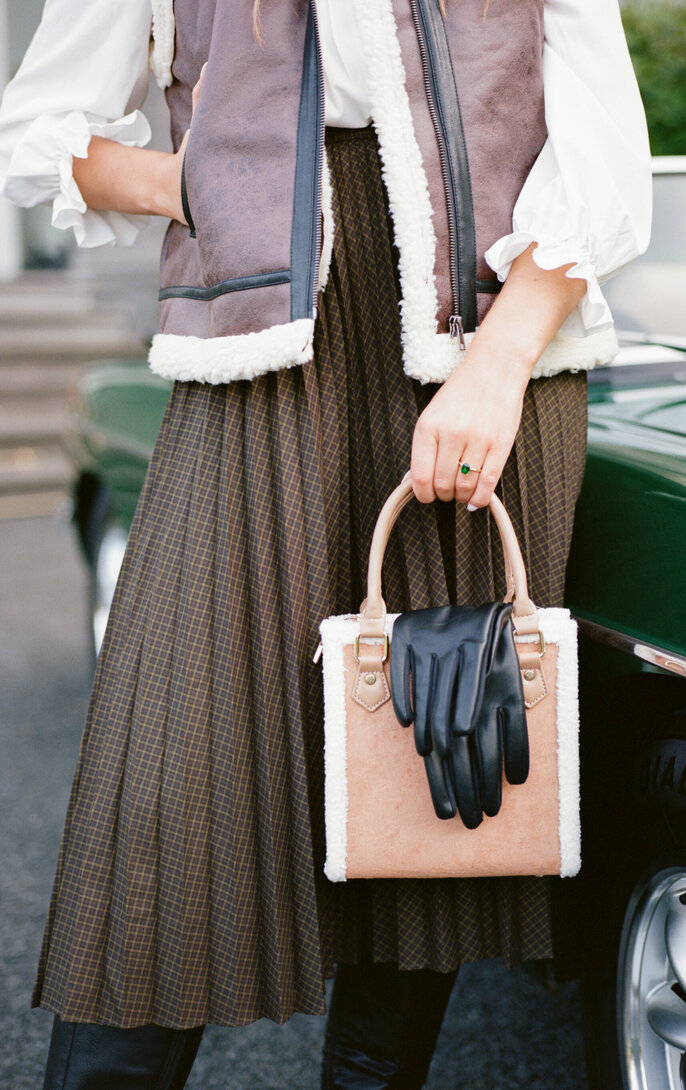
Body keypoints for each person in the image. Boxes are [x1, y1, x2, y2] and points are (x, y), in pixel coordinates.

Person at [0, 0, 651, 1086]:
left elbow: (601, 155)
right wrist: (201, 182)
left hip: (489, 355)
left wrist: (490, 372)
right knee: (167, 779)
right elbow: (38, 131)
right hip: (257, 350)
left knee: (431, 773)